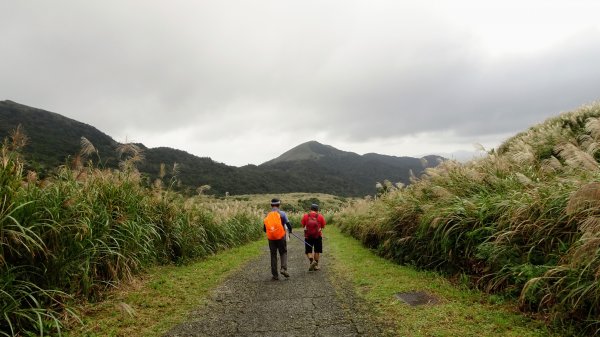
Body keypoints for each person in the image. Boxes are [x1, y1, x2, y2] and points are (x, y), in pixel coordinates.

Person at [263, 198, 292, 280]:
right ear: (279, 205)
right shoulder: (282, 214)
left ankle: (275, 275)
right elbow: (288, 225)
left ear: (271, 205)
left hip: (271, 238)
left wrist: (272, 232)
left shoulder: (268, 215)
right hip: (281, 236)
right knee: (283, 252)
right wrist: (290, 231)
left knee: (273, 254)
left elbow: (265, 229)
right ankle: (283, 269)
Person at [301, 203, 326, 271]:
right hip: (317, 236)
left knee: (308, 251)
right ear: (317, 210)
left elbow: (303, 225)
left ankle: (312, 262)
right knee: (317, 251)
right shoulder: (320, 216)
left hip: (308, 236)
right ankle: (316, 265)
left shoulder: (305, 216)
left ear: (310, 209)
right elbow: (323, 226)